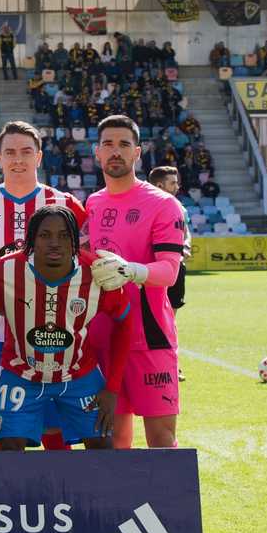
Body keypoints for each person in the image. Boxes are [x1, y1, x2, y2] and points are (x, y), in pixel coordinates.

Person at [0, 120, 86, 451]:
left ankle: (60, 498)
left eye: (26, 152)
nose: (18, 160)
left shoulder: (64, 203)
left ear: (39, 157)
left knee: (53, 426)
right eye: (11, 152)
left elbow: (80, 262)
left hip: (54, 334)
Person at [0, 206, 133, 449]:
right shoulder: (3, 270)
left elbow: (125, 321)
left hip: (79, 374)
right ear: (32, 240)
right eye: (45, 235)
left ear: (75, 240)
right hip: (20, 374)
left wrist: (112, 388)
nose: (55, 243)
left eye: (64, 235)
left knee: (103, 446)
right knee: (8, 448)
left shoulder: (98, 273)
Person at [86, 114, 187, 449]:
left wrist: (132, 270)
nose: (116, 151)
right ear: (96, 153)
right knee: (113, 440)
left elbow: (169, 271)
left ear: (137, 153)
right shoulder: (93, 204)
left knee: (161, 439)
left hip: (149, 337)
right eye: (108, 144)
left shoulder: (163, 204)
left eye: (124, 144)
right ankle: (117, 505)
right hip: (104, 337)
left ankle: (168, 504)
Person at [148, 165, 192, 382]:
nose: (177, 186)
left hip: (176, 268)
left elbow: (186, 233)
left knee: (170, 319)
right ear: (159, 185)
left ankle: (172, 365)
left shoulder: (180, 208)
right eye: (173, 183)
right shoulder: (147, 206)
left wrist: (186, 246)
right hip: (153, 271)